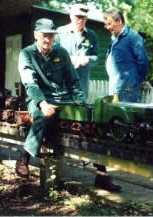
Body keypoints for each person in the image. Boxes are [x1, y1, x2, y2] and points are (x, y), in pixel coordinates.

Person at [16, 18, 85, 178]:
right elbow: (30, 83)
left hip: (61, 97)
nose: (48, 39)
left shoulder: (61, 53)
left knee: (87, 123)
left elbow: (73, 80)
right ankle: (23, 158)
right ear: (36, 35)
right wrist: (43, 104)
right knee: (42, 117)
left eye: (51, 35)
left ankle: (102, 175)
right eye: (44, 35)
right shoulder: (26, 53)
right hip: (38, 97)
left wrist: (80, 100)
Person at [103, 7, 149, 103]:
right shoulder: (114, 39)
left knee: (128, 117)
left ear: (119, 21)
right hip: (115, 88)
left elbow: (143, 62)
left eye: (109, 24)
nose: (107, 27)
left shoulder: (133, 37)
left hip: (128, 90)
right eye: (106, 25)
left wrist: (135, 82)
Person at [54, 3, 99, 100]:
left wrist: (87, 59)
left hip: (81, 84)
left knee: (80, 111)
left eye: (84, 17)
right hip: (63, 83)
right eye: (78, 16)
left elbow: (96, 58)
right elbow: (53, 55)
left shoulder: (91, 35)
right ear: (71, 16)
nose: (81, 20)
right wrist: (68, 59)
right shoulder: (60, 33)